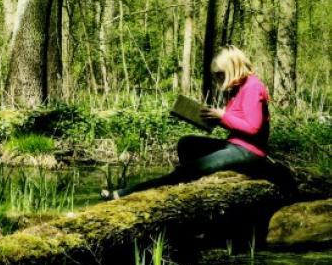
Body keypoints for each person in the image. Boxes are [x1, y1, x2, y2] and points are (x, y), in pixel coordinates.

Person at [101, 45, 271, 200]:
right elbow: (239, 122)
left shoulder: (252, 86)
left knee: (187, 170)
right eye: (216, 75)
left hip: (249, 153)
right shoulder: (240, 88)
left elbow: (253, 127)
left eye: (220, 74)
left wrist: (222, 117)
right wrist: (213, 118)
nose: (218, 79)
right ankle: (189, 182)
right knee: (187, 143)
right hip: (234, 146)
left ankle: (126, 194)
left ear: (233, 68)